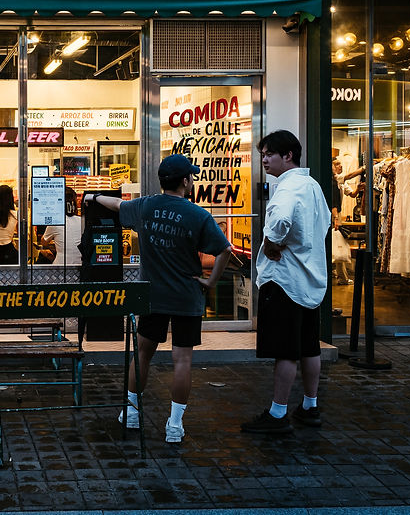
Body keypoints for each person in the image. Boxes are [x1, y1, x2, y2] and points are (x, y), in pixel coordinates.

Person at [89, 154, 232, 444]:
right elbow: (224, 250)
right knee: (182, 360)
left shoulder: (145, 206)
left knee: (143, 353)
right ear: (184, 181)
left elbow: (116, 205)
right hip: (186, 296)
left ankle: (130, 413)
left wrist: (93, 195)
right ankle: (175, 426)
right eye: (190, 176)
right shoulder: (198, 215)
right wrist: (210, 281)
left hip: (152, 294)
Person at [241, 130, 329, 434]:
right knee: (309, 346)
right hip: (311, 279)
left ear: (287, 155)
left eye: (269, 154)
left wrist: (270, 242)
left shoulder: (288, 188)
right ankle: (310, 405)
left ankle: (278, 414)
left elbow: (279, 221)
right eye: (263, 154)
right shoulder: (313, 185)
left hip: (284, 281)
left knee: (286, 350)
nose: (264, 160)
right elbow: (326, 223)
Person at [41, 187, 82, 265]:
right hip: (80, 265)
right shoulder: (82, 221)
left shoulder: (56, 221)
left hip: (61, 266)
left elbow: (44, 242)